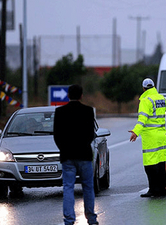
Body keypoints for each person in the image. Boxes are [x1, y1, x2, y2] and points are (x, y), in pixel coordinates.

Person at [53, 84, 98, 225]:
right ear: (81, 95)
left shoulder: (60, 111)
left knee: (68, 187)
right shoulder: (88, 111)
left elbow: (57, 135)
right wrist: (84, 145)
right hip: (84, 155)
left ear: (68, 95)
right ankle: (91, 218)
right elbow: (91, 134)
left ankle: (69, 220)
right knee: (88, 187)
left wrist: (64, 148)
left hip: (67, 156)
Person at [129, 78, 166, 197]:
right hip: (161, 135)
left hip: (151, 137)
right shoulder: (161, 98)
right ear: (153, 86)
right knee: (161, 164)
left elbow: (142, 119)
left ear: (143, 88)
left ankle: (153, 190)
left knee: (150, 166)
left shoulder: (145, 100)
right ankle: (162, 189)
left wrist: (136, 132)